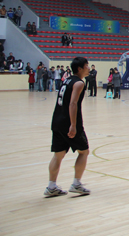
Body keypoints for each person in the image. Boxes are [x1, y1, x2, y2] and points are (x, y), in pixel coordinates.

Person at [44, 57, 91, 197]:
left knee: (58, 154)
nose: (89, 68)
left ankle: (51, 186)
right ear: (80, 69)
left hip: (57, 120)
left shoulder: (67, 80)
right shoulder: (79, 83)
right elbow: (73, 103)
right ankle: (76, 184)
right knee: (84, 152)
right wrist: (73, 125)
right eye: (87, 66)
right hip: (69, 122)